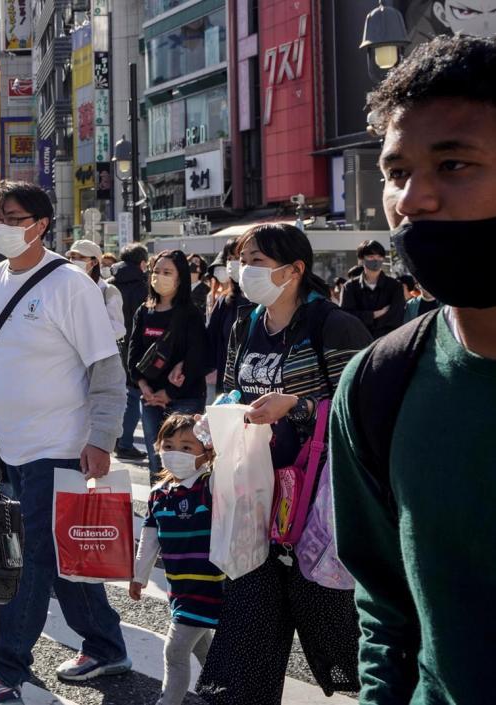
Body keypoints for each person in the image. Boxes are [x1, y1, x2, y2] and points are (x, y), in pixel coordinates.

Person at [331, 35, 496, 705]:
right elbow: (385, 607)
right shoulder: (379, 383)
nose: (414, 198)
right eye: (396, 172)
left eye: (454, 164)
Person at [195, 222, 369, 704]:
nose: (243, 270)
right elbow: (233, 388)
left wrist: (296, 404)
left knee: (335, 622)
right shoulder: (243, 323)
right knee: (249, 621)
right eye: (242, 259)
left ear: (295, 270)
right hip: (255, 496)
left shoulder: (333, 325)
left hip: (317, 507)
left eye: (257, 262)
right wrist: (216, 417)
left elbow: (362, 408)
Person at [0, 181, 129, 701]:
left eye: (11, 216)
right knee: (62, 556)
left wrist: (101, 438)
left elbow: (106, 370)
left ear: (39, 224)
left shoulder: (69, 284)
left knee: (29, 555)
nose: (0, 224)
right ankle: (106, 646)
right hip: (4, 443)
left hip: (58, 444)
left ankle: (6, 668)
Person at [130, 414, 222, 705]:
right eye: (168, 445)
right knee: (203, 647)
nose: (175, 454)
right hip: (179, 587)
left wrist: (217, 432)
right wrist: (138, 576)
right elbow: (150, 537)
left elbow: (234, 469)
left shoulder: (209, 485)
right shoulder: (158, 495)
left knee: (175, 651)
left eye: (186, 447)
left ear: (206, 451)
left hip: (208, 586)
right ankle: (222, 692)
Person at [126, 250, 208, 479]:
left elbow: (197, 358)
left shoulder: (190, 314)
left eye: (167, 272)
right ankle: (159, 507)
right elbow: (132, 355)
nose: (159, 276)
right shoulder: (144, 311)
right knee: (157, 463)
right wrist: (144, 388)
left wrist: (169, 393)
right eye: (156, 271)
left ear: (179, 278)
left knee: (184, 465)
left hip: (185, 399)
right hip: (150, 399)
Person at [111, 244, 150, 461]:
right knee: (133, 396)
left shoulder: (110, 283)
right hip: (136, 348)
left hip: (112, 347)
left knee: (115, 397)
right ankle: (125, 442)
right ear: (142, 263)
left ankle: (116, 440)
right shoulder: (143, 287)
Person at [206, 240, 249, 395]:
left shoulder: (268, 302)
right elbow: (211, 340)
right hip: (227, 388)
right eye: (229, 258)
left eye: (238, 257)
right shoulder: (225, 301)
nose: (232, 263)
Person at [340, 239, 404, 339]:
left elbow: (396, 317)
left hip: (387, 341)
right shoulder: (350, 287)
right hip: (358, 341)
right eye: (371, 256)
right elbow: (346, 316)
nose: (376, 260)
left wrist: (364, 318)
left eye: (379, 256)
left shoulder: (395, 286)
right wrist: (374, 314)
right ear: (361, 259)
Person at [67, 239, 126, 339]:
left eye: (81, 257)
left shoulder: (108, 291)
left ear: (94, 262)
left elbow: (118, 329)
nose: (74, 261)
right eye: (72, 257)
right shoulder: (66, 288)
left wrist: (84, 333)